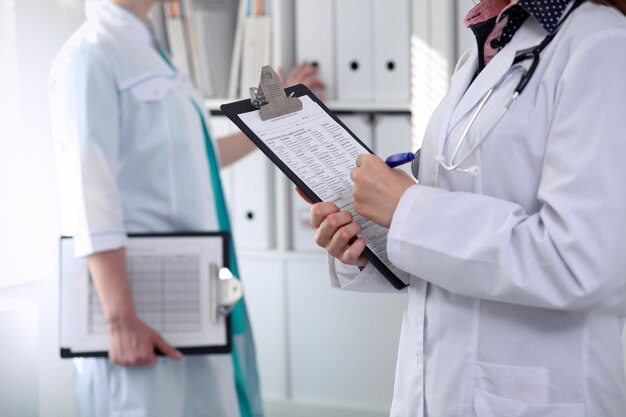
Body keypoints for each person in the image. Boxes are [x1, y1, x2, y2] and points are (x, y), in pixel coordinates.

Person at [306, 0, 626, 416]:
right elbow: (446, 244)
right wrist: (364, 234)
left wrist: (406, 209)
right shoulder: (488, 48)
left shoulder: (602, 45)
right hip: (433, 390)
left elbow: (583, 261)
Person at [49, 1, 323, 416]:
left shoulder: (150, 52)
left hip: (192, 291)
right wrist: (120, 318)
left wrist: (273, 114)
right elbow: (90, 193)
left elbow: (199, 155)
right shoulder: (92, 53)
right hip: (139, 305)